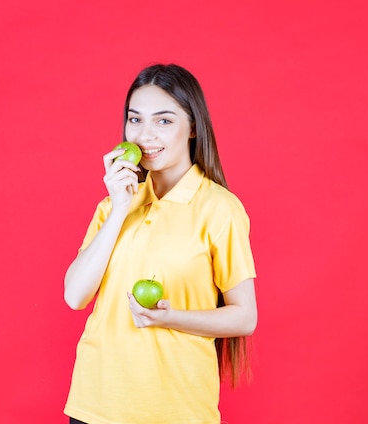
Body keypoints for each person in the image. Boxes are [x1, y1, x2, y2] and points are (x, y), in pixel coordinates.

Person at [63, 63, 257, 424]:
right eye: (135, 120)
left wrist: (169, 317)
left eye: (163, 121)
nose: (145, 135)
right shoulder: (114, 205)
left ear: (193, 127)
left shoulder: (218, 208)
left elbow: (245, 317)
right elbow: (75, 296)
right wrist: (121, 207)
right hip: (95, 404)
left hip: (175, 411)